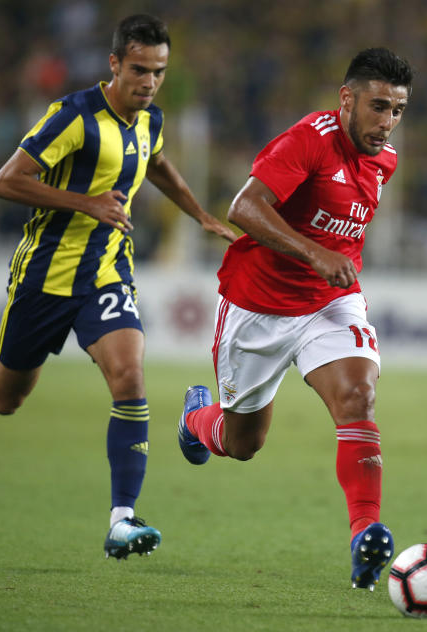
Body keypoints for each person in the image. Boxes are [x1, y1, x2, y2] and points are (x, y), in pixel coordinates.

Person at [0, 14, 236, 559]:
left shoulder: (150, 121)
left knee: (129, 373)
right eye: (139, 69)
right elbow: (6, 180)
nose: (149, 82)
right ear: (114, 64)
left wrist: (199, 214)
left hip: (107, 271)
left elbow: (156, 166)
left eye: (158, 72)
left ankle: (121, 520)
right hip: (45, 276)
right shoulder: (73, 116)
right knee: (6, 397)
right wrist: (88, 203)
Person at [176, 47, 413, 590]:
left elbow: (342, 233)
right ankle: (196, 420)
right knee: (242, 445)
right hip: (257, 306)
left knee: (359, 397)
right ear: (347, 98)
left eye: (398, 110)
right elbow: (244, 207)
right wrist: (313, 253)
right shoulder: (308, 139)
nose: (387, 122)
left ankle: (365, 534)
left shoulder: (385, 160)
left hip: (330, 302)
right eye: (378, 107)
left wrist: (334, 265)